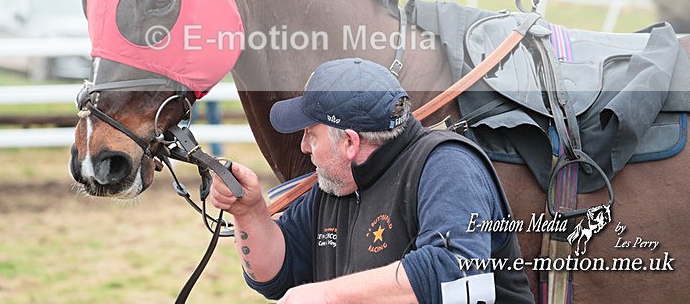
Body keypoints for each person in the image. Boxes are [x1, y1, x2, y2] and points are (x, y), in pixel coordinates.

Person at [211, 58, 534, 303]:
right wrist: (249, 212)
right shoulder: (334, 183)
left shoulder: (447, 166)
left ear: (350, 143)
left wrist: (327, 296)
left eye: (311, 134)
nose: (304, 147)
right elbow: (274, 276)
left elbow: (452, 268)